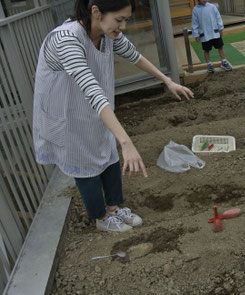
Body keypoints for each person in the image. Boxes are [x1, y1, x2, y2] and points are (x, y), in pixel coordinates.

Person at [33, 0, 194, 232]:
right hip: (67, 115)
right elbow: (90, 87)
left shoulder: (108, 34)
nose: (124, 26)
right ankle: (101, 218)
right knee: (85, 163)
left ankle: (114, 208)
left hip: (92, 109)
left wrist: (167, 80)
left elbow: (134, 55)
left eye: (126, 19)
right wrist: (126, 141)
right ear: (96, 12)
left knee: (107, 154)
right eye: (119, 19)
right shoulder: (66, 39)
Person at [192, 0, 233, 73]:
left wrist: (220, 28)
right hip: (204, 33)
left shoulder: (212, 7)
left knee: (220, 47)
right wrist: (196, 34)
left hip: (215, 32)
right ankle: (209, 64)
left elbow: (218, 18)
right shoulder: (195, 10)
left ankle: (224, 61)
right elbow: (195, 23)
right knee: (206, 50)